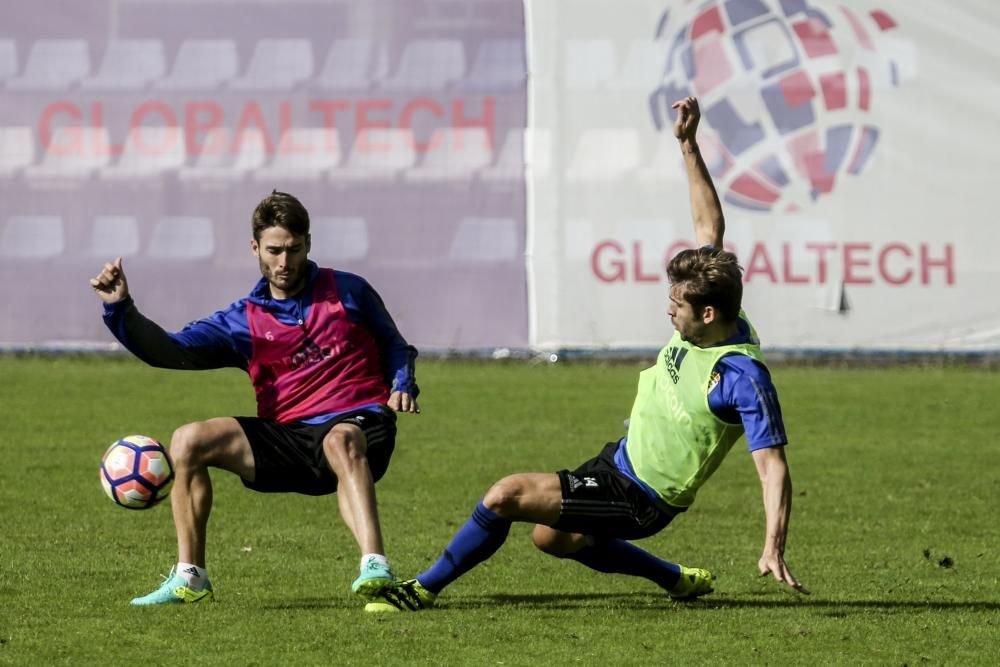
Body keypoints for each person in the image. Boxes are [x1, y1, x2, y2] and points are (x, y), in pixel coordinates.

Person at [367, 97, 805, 613]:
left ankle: (419, 590)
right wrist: (687, 145)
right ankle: (676, 579)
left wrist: (772, 544)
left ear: (709, 314)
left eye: (677, 304)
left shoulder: (742, 378)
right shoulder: (715, 313)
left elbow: (772, 466)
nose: (668, 311)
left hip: (642, 496)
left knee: (504, 495)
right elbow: (710, 228)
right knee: (550, 539)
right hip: (619, 458)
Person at [90, 191, 420, 606]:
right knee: (188, 439)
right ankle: (189, 578)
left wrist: (402, 381)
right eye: (275, 251)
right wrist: (121, 309)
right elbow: (170, 351)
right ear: (255, 248)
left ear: (308, 244)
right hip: (291, 438)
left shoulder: (349, 291)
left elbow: (395, 345)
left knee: (340, 439)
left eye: (295, 250)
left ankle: (376, 566)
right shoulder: (242, 319)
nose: (285, 262)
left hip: (361, 423)